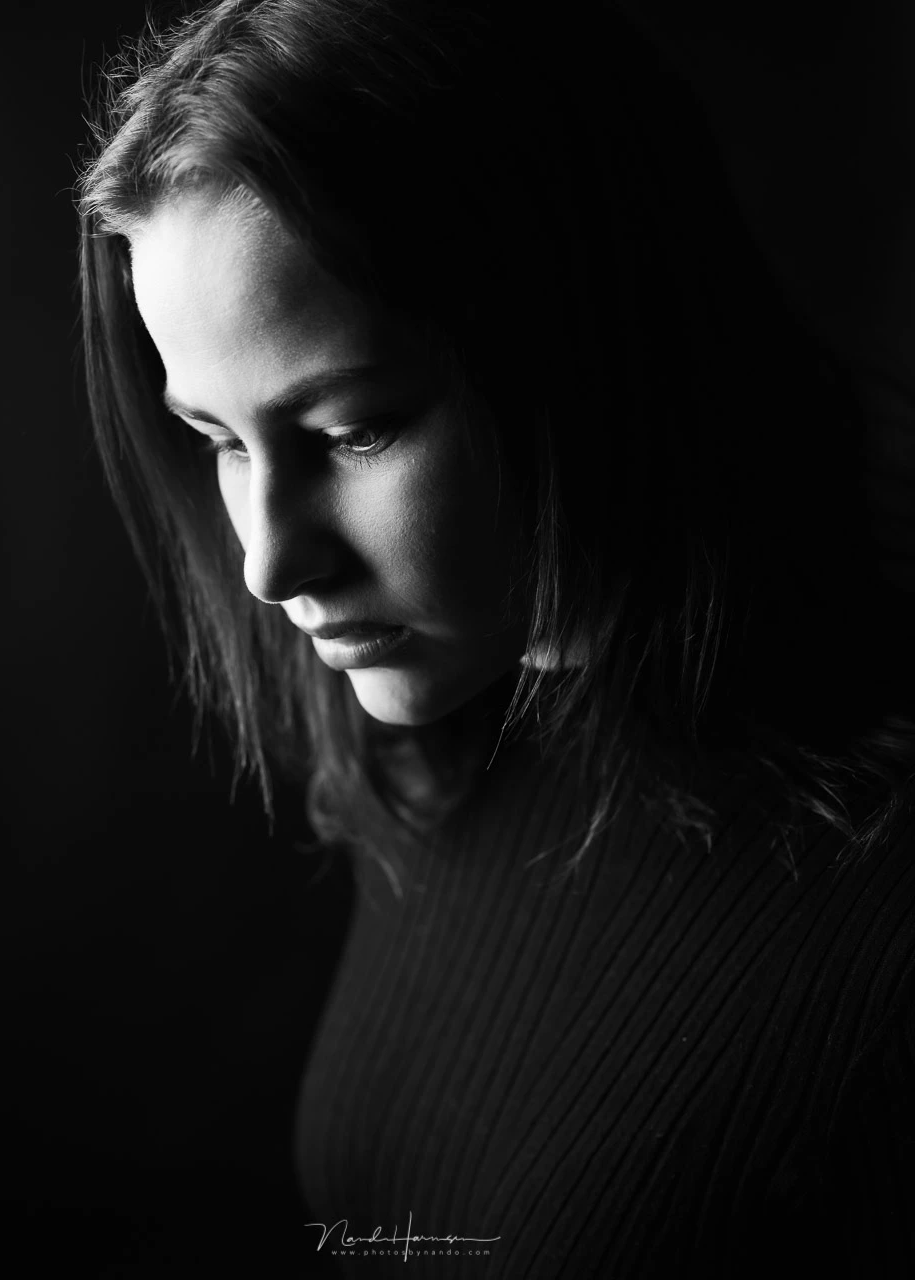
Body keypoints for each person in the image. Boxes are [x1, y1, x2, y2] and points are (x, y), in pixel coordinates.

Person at [77, 1, 914, 1274]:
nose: (266, 559)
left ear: (583, 343)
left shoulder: (880, 916)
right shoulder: (451, 740)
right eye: (219, 440)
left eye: (352, 430)